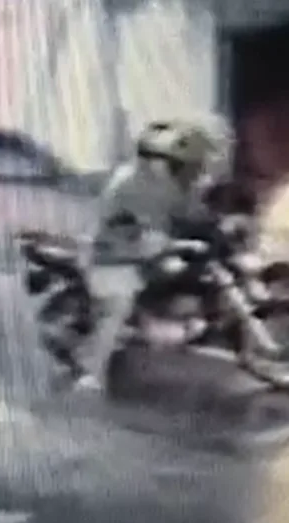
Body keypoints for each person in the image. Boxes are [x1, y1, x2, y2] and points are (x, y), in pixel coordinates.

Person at [72, 120, 219, 395]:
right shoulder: (133, 185)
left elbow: (184, 212)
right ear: (157, 162)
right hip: (110, 256)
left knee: (175, 270)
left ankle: (161, 320)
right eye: (178, 164)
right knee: (117, 308)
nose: (186, 170)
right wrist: (180, 242)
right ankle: (90, 372)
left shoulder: (160, 184)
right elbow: (153, 231)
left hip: (135, 252)